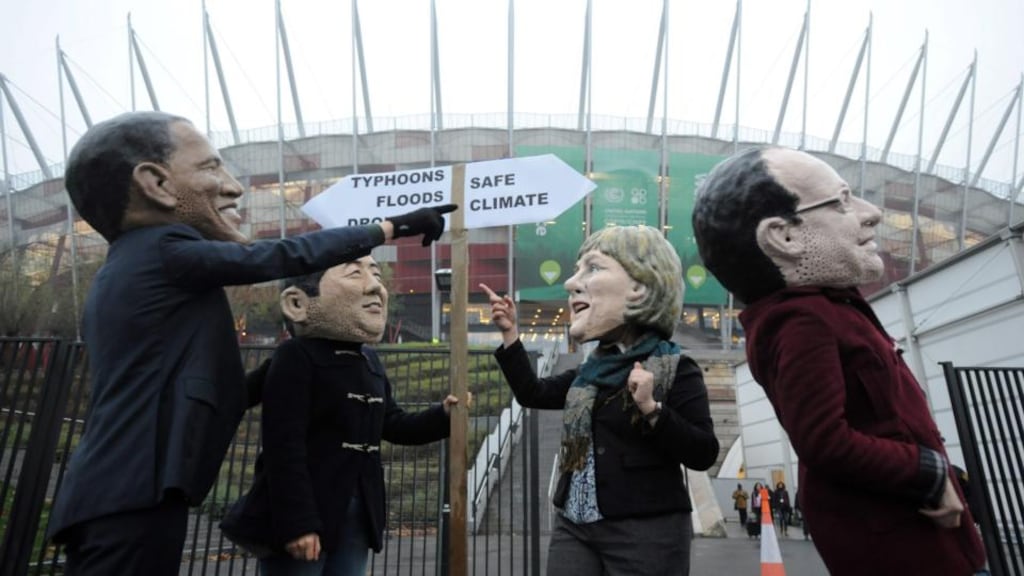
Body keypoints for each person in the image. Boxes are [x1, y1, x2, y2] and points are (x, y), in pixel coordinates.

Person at [44, 111, 457, 576]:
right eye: (210, 167)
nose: (233, 186)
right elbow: (277, 255)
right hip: (131, 491)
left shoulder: (135, 271)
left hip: (128, 490)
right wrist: (389, 229)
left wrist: (296, 364)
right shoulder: (163, 252)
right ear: (156, 184)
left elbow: (219, 391)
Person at [692, 145, 987, 575]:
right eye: (842, 202)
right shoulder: (798, 321)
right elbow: (824, 440)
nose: (872, 214)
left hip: (928, 537)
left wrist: (943, 474)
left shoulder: (829, 307)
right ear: (785, 236)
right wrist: (927, 471)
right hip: (898, 548)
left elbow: (884, 424)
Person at [481, 224, 720, 576]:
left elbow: (703, 453)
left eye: (592, 268)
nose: (571, 283)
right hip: (575, 524)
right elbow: (533, 392)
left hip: (646, 530)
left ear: (640, 287)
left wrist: (652, 409)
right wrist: (510, 335)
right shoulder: (590, 371)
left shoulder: (675, 368)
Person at [220, 256, 464, 575]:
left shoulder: (369, 361)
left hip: (357, 513)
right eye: (354, 274)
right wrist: (298, 524)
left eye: (376, 274)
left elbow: (392, 424)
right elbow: (283, 448)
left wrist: (443, 415)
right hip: (306, 514)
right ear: (298, 302)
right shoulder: (295, 356)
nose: (376, 285)